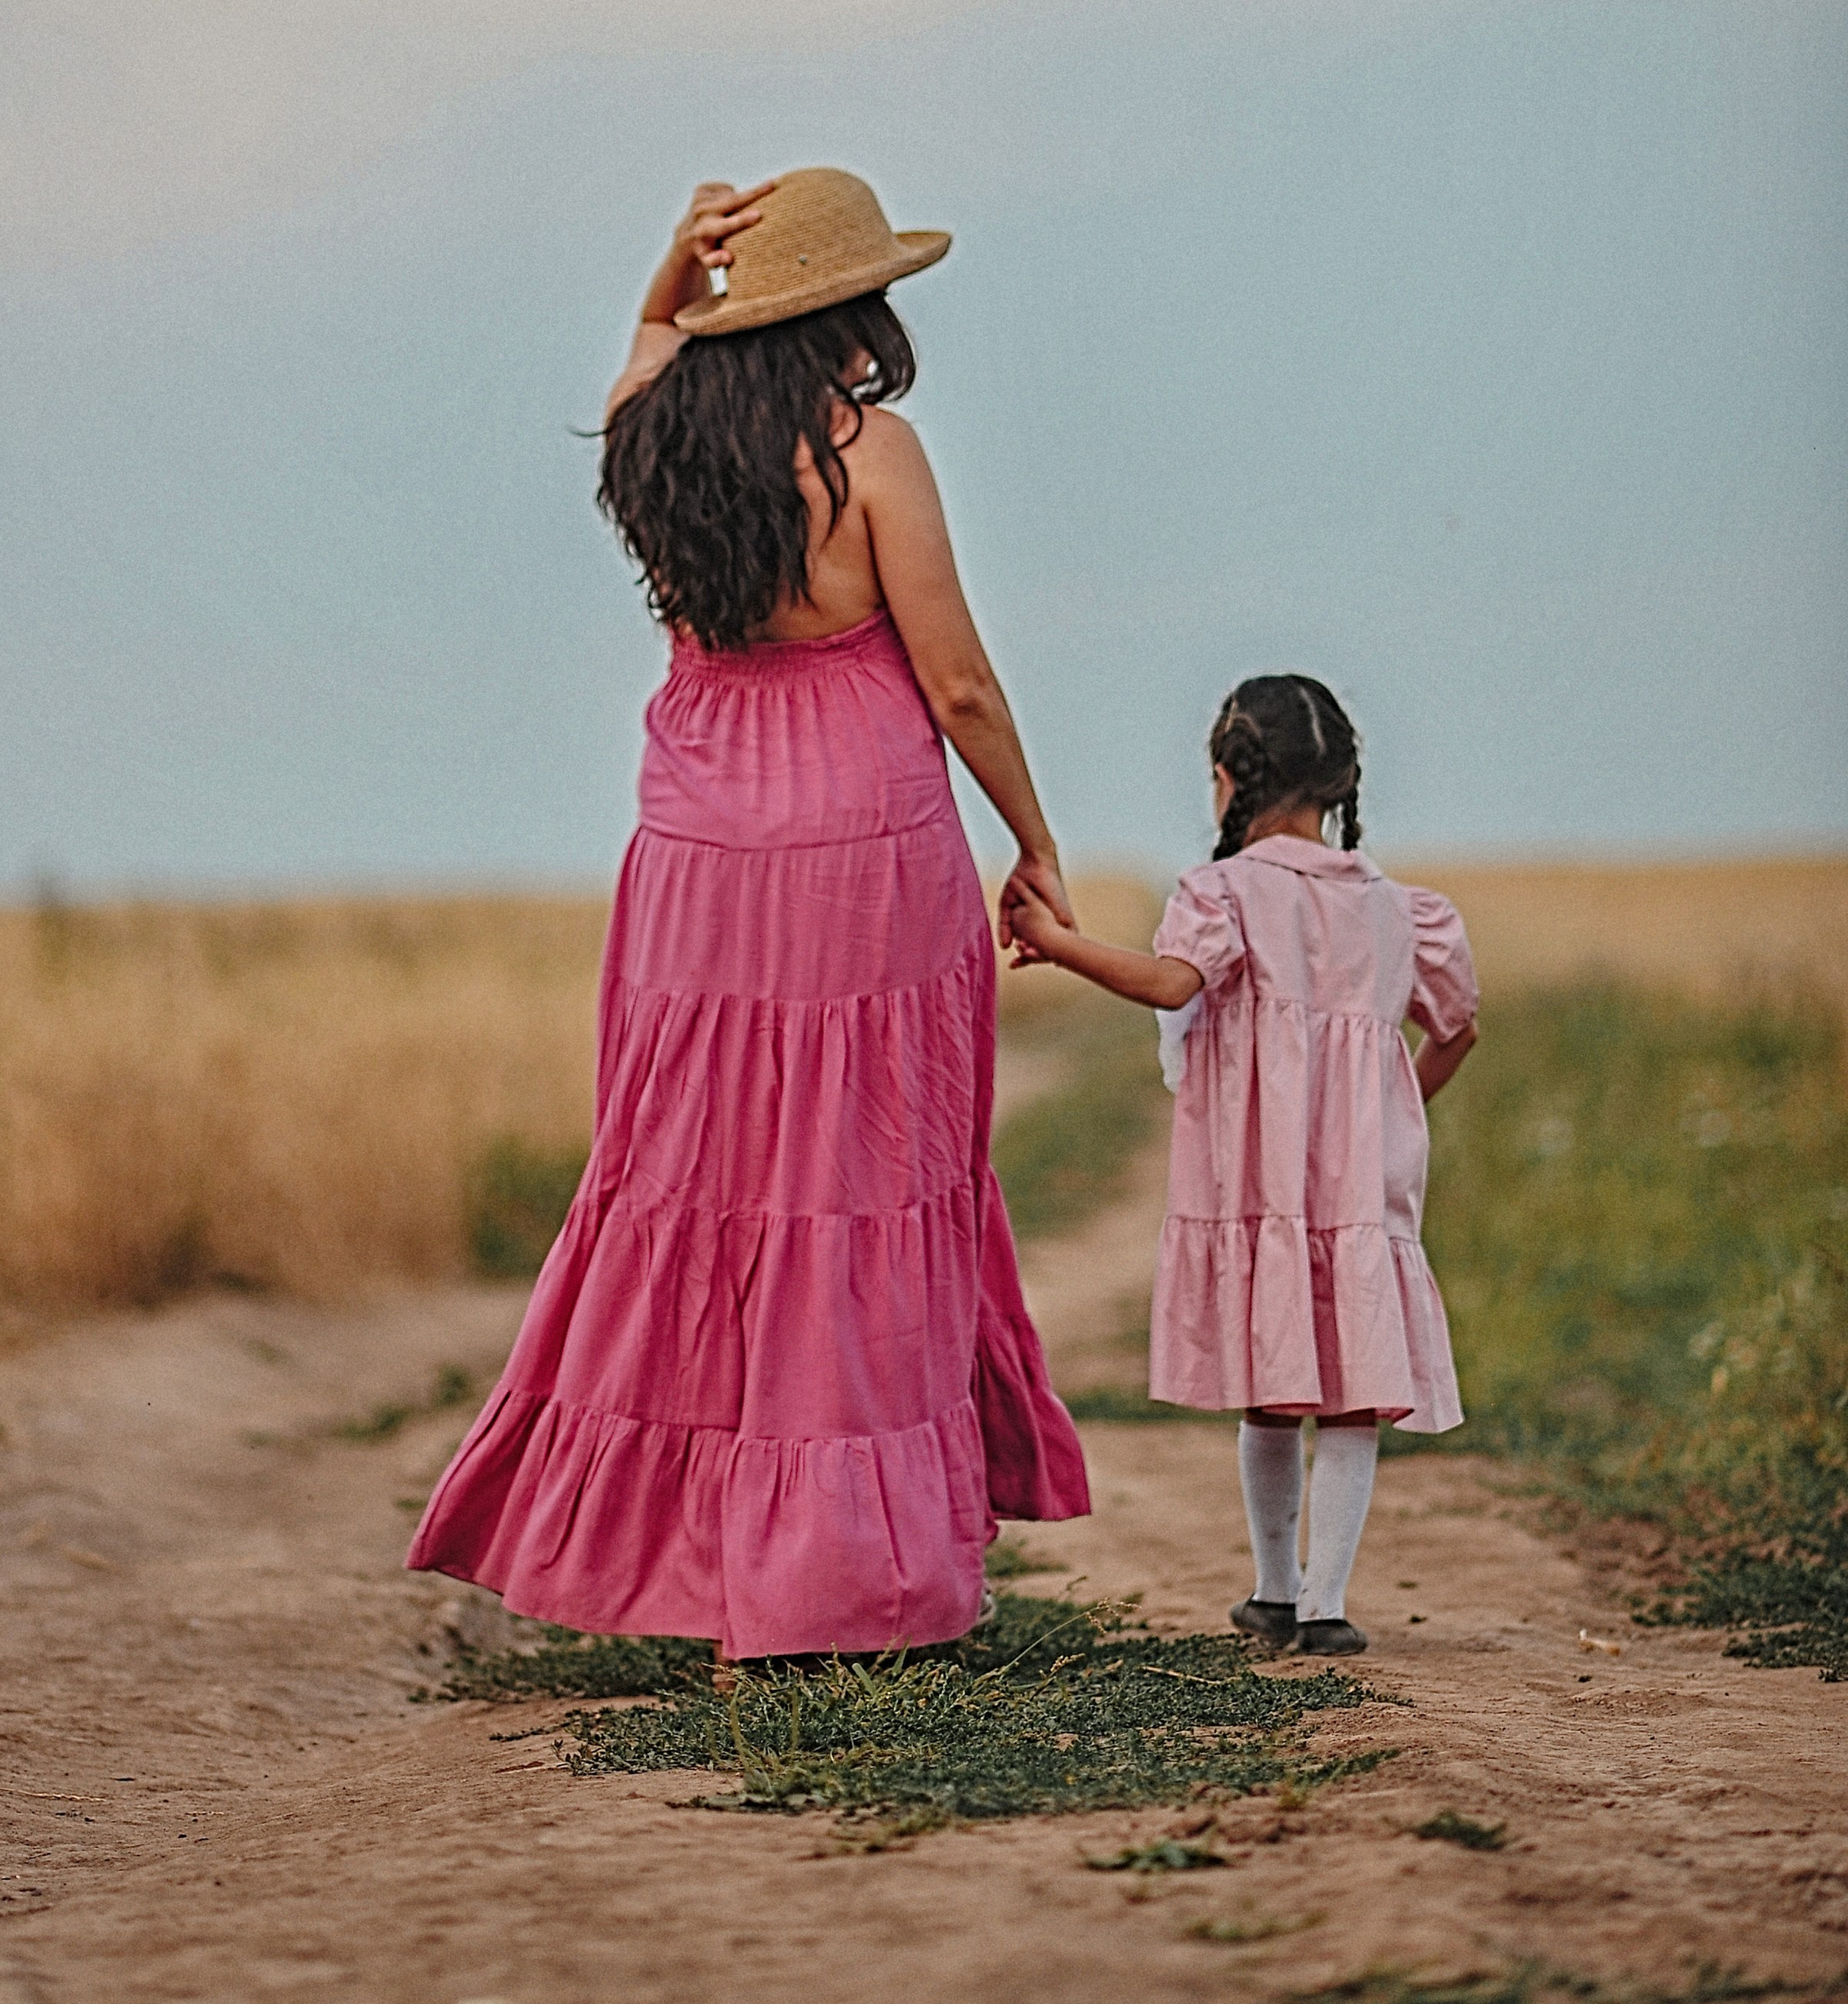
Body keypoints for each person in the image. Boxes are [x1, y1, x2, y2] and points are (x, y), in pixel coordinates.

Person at [407, 169, 1089, 1658]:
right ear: (854, 310)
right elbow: (958, 680)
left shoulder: (657, 426)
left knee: (700, 1174)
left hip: (702, 850)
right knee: (861, 1167)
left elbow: (649, 338)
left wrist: (671, 264)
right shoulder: (874, 450)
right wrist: (1035, 838)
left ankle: (693, 1558)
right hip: (866, 846)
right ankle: (849, 1572)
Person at [1005, 673, 1478, 1656]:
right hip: (1363, 1189)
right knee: (1353, 1384)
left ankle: (1273, 1584)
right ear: (1340, 781)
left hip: (1260, 1183)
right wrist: (1390, 1111)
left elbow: (1170, 980)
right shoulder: (1403, 910)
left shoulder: (1218, 893)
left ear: (1228, 778)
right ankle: (1324, 1602)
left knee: (1276, 1372)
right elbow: (1456, 1025)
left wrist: (1058, 942)